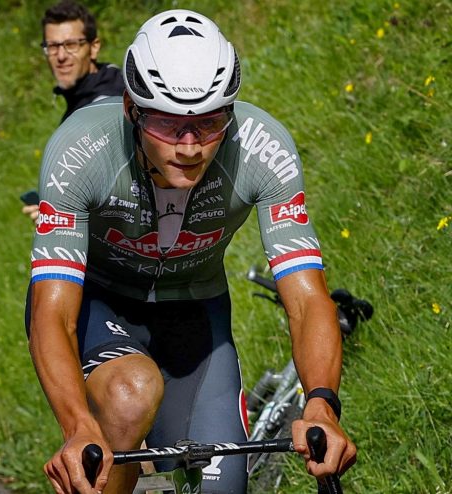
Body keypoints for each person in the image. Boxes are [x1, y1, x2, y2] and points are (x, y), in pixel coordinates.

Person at [26, 10, 356, 494]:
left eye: (208, 122)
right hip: (99, 301)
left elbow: (308, 300)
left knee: (224, 487)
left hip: (195, 312)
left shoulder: (265, 150)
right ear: (131, 110)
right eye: (166, 123)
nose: (189, 146)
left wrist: (322, 405)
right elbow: (52, 313)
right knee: (128, 394)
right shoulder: (81, 149)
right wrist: (78, 426)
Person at [24, 0, 126, 220]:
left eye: (71, 45)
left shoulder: (102, 108)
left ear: (94, 46)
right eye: (52, 46)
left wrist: (59, 215)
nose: (61, 56)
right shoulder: (111, 79)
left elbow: (115, 193)